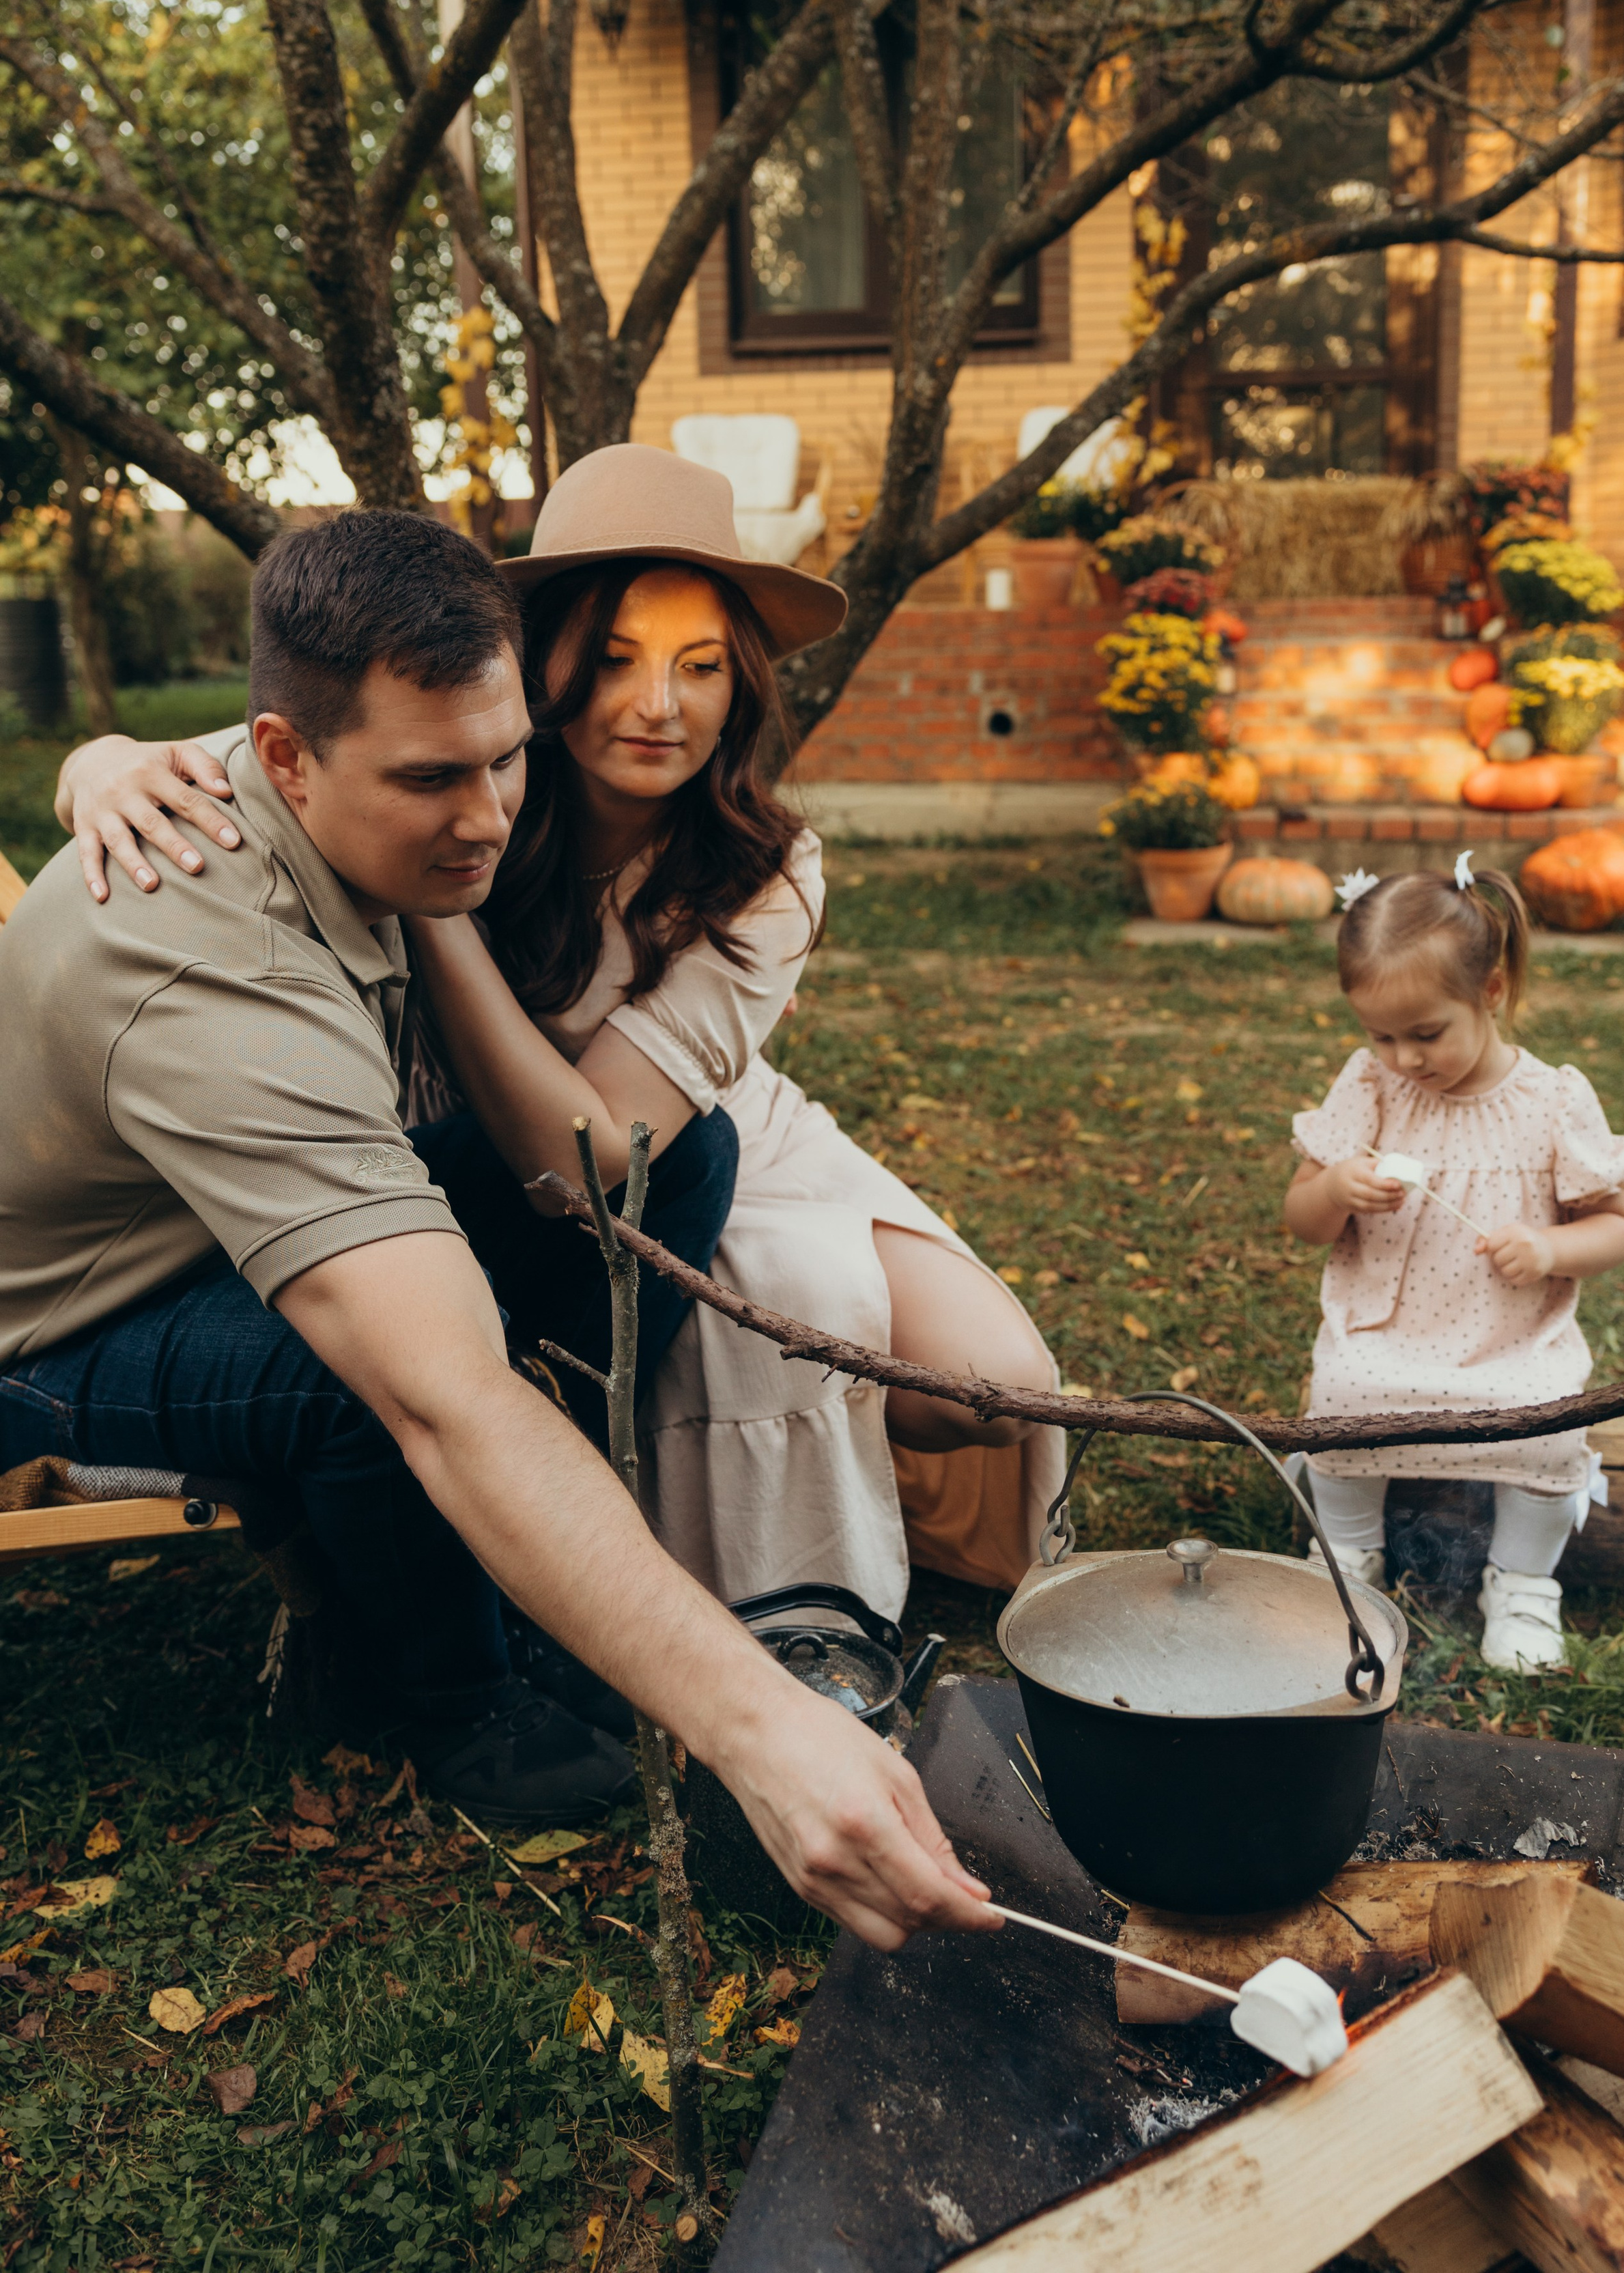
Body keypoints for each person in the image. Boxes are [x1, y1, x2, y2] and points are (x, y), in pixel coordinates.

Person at [12, 507, 999, 1953]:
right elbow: (446, 1388)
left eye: (505, 757)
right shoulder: (202, 961)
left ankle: (505, 1583)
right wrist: (756, 1723)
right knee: (360, 1373)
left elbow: (585, 1155)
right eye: (433, 779)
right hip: (55, 1326)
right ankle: (445, 1690)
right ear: (285, 756)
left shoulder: (388, 806)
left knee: (669, 1172)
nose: (486, 816)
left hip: (235, 1214)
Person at [60, 447, 1065, 1622]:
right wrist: (104, 765)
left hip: (698, 1134)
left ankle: (825, 1472)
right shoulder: (445, 791)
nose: (660, 705)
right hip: (529, 1164)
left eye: (702, 667)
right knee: (808, 1308)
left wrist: (437, 918)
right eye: (617, 658)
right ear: (542, 662)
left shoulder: (769, 863)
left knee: (999, 1386)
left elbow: (602, 1146)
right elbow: (252, 774)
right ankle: (734, 1570)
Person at [1283, 856, 1624, 1676]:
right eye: (1380, 1035)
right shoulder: (1371, 1089)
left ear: (1489, 991)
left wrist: (1552, 1247)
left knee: (1548, 1421)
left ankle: (1518, 1585)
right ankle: (1347, 1568)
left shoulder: (1551, 1101)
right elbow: (1301, 1222)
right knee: (1341, 1400)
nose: (1403, 1057)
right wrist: (1335, 1186)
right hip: (1386, 1332)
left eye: (1425, 1033)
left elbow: (1617, 1229)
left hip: (1508, 1340)